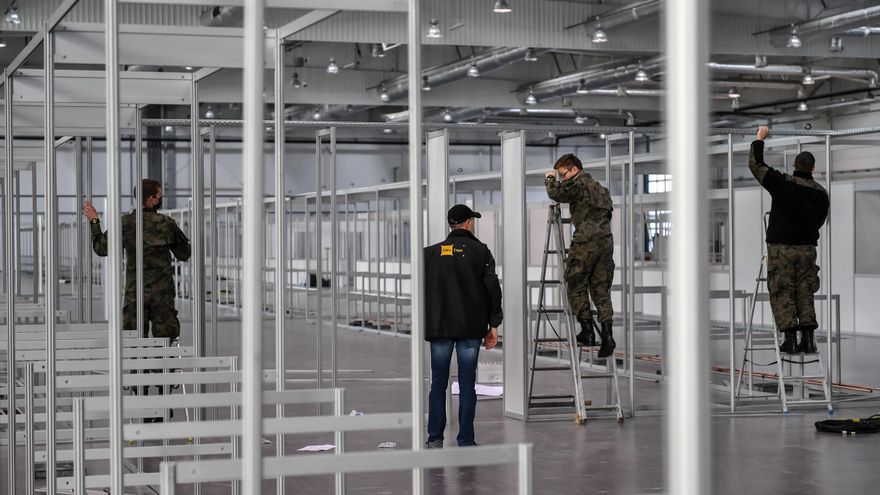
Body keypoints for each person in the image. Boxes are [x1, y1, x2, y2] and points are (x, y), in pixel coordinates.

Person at [424, 204, 502, 448]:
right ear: (468, 223)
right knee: (467, 384)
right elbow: (493, 290)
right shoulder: (481, 251)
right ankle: (466, 439)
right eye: (473, 220)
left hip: (439, 327)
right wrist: (494, 325)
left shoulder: (430, 254)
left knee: (438, 383)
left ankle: (435, 437)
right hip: (470, 327)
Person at [749, 126, 829, 354]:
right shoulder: (821, 193)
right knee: (805, 291)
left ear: (794, 166)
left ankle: (790, 340)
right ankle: (809, 340)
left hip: (781, 249)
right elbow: (820, 221)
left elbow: (757, 165)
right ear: (813, 168)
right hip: (806, 250)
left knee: (782, 289)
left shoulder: (783, 183)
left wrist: (759, 139)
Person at [84, 178, 191, 341]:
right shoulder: (166, 224)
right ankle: (161, 367)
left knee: (134, 343)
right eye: (159, 196)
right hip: (162, 296)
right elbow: (184, 254)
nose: (160, 199)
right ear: (151, 200)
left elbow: (101, 248)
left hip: (135, 294)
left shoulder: (125, 223)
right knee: (164, 343)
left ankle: (139, 368)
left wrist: (94, 220)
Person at [545, 153, 616, 358]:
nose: (562, 178)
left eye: (562, 174)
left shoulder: (578, 184)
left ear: (574, 169)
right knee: (601, 289)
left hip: (585, 243)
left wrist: (549, 179)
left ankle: (587, 331)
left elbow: (556, 194)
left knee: (575, 283)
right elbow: (608, 214)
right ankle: (608, 336)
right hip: (606, 243)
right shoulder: (602, 189)